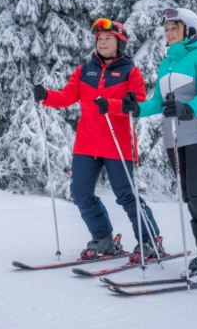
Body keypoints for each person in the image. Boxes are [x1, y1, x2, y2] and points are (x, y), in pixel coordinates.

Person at [121, 7, 197, 282]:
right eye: (166, 28)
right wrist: (137, 108)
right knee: (189, 196)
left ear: (189, 28)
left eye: (174, 27)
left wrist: (187, 109)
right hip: (175, 138)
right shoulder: (167, 63)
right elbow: (158, 103)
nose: (168, 31)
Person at [34, 17, 163, 262]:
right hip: (86, 144)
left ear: (120, 43)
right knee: (80, 192)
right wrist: (46, 96)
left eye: (108, 39)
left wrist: (112, 105)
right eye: (99, 39)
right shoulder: (85, 70)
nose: (102, 43)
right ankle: (103, 238)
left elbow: (138, 103)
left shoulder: (130, 72)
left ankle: (149, 240)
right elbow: (65, 96)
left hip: (118, 143)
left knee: (126, 194)